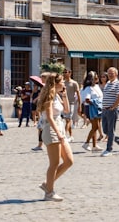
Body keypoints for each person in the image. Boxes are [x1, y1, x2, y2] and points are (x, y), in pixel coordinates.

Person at [37, 73, 73, 202]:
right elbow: (50, 117)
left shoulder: (57, 95)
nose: (64, 83)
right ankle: (49, 192)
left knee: (69, 161)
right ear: (55, 83)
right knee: (54, 163)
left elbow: (67, 111)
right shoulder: (49, 96)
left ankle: (47, 184)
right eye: (62, 81)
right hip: (51, 130)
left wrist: (65, 95)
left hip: (60, 128)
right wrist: (58, 133)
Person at [100, 67, 119, 156]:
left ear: (116, 74)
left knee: (111, 130)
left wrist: (113, 107)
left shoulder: (118, 84)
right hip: (105, 109)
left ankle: (109, 149)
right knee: (105, 130)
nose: (110, 75)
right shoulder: (107, 84)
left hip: (112, 110)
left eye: (112, 73)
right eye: (109, 73)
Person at [81, 72, 103, 151]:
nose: (97, 79)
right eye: (95, 78)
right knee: (95, 126)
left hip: (98, 108)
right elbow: (87, 99)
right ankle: (86, 143)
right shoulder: (88, 88)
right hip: (91, 108)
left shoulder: (97, 86)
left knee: (95, 127)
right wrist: (95, 103)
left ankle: (94, 145)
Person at [61, 70, 80, 139]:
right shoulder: (62, 83)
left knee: (68, 119)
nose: (65, 73)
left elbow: (78, 94)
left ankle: (64, 134)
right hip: (63, 103)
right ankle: (71, 135)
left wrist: (79, 105)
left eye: (66, 72)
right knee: (66, 120)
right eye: (64, 72)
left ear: (70, 73)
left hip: (71, 103)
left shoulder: (74, 83)